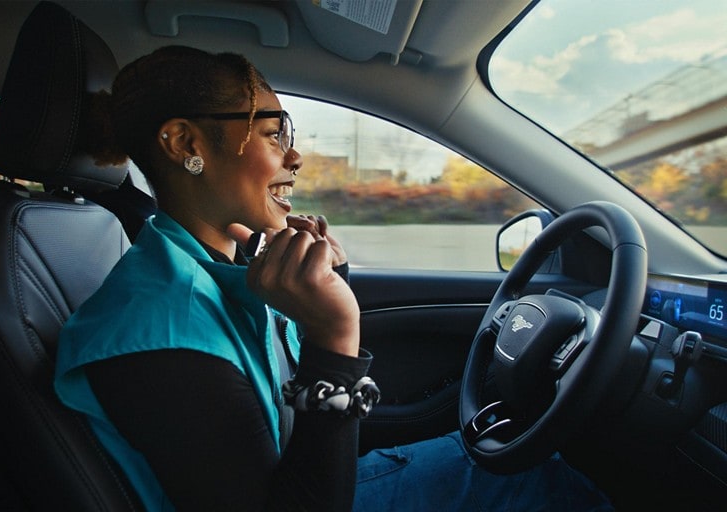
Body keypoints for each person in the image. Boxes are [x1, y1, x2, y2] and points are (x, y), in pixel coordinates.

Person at [54, 46, 613, 511]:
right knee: (537, 479)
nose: (295, 156)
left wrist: (333, 283)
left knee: (512, 453)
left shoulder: (211, 265)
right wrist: (334, 341)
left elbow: (280, 408)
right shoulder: (160, 325)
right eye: (273, 134)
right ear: (186, 145)